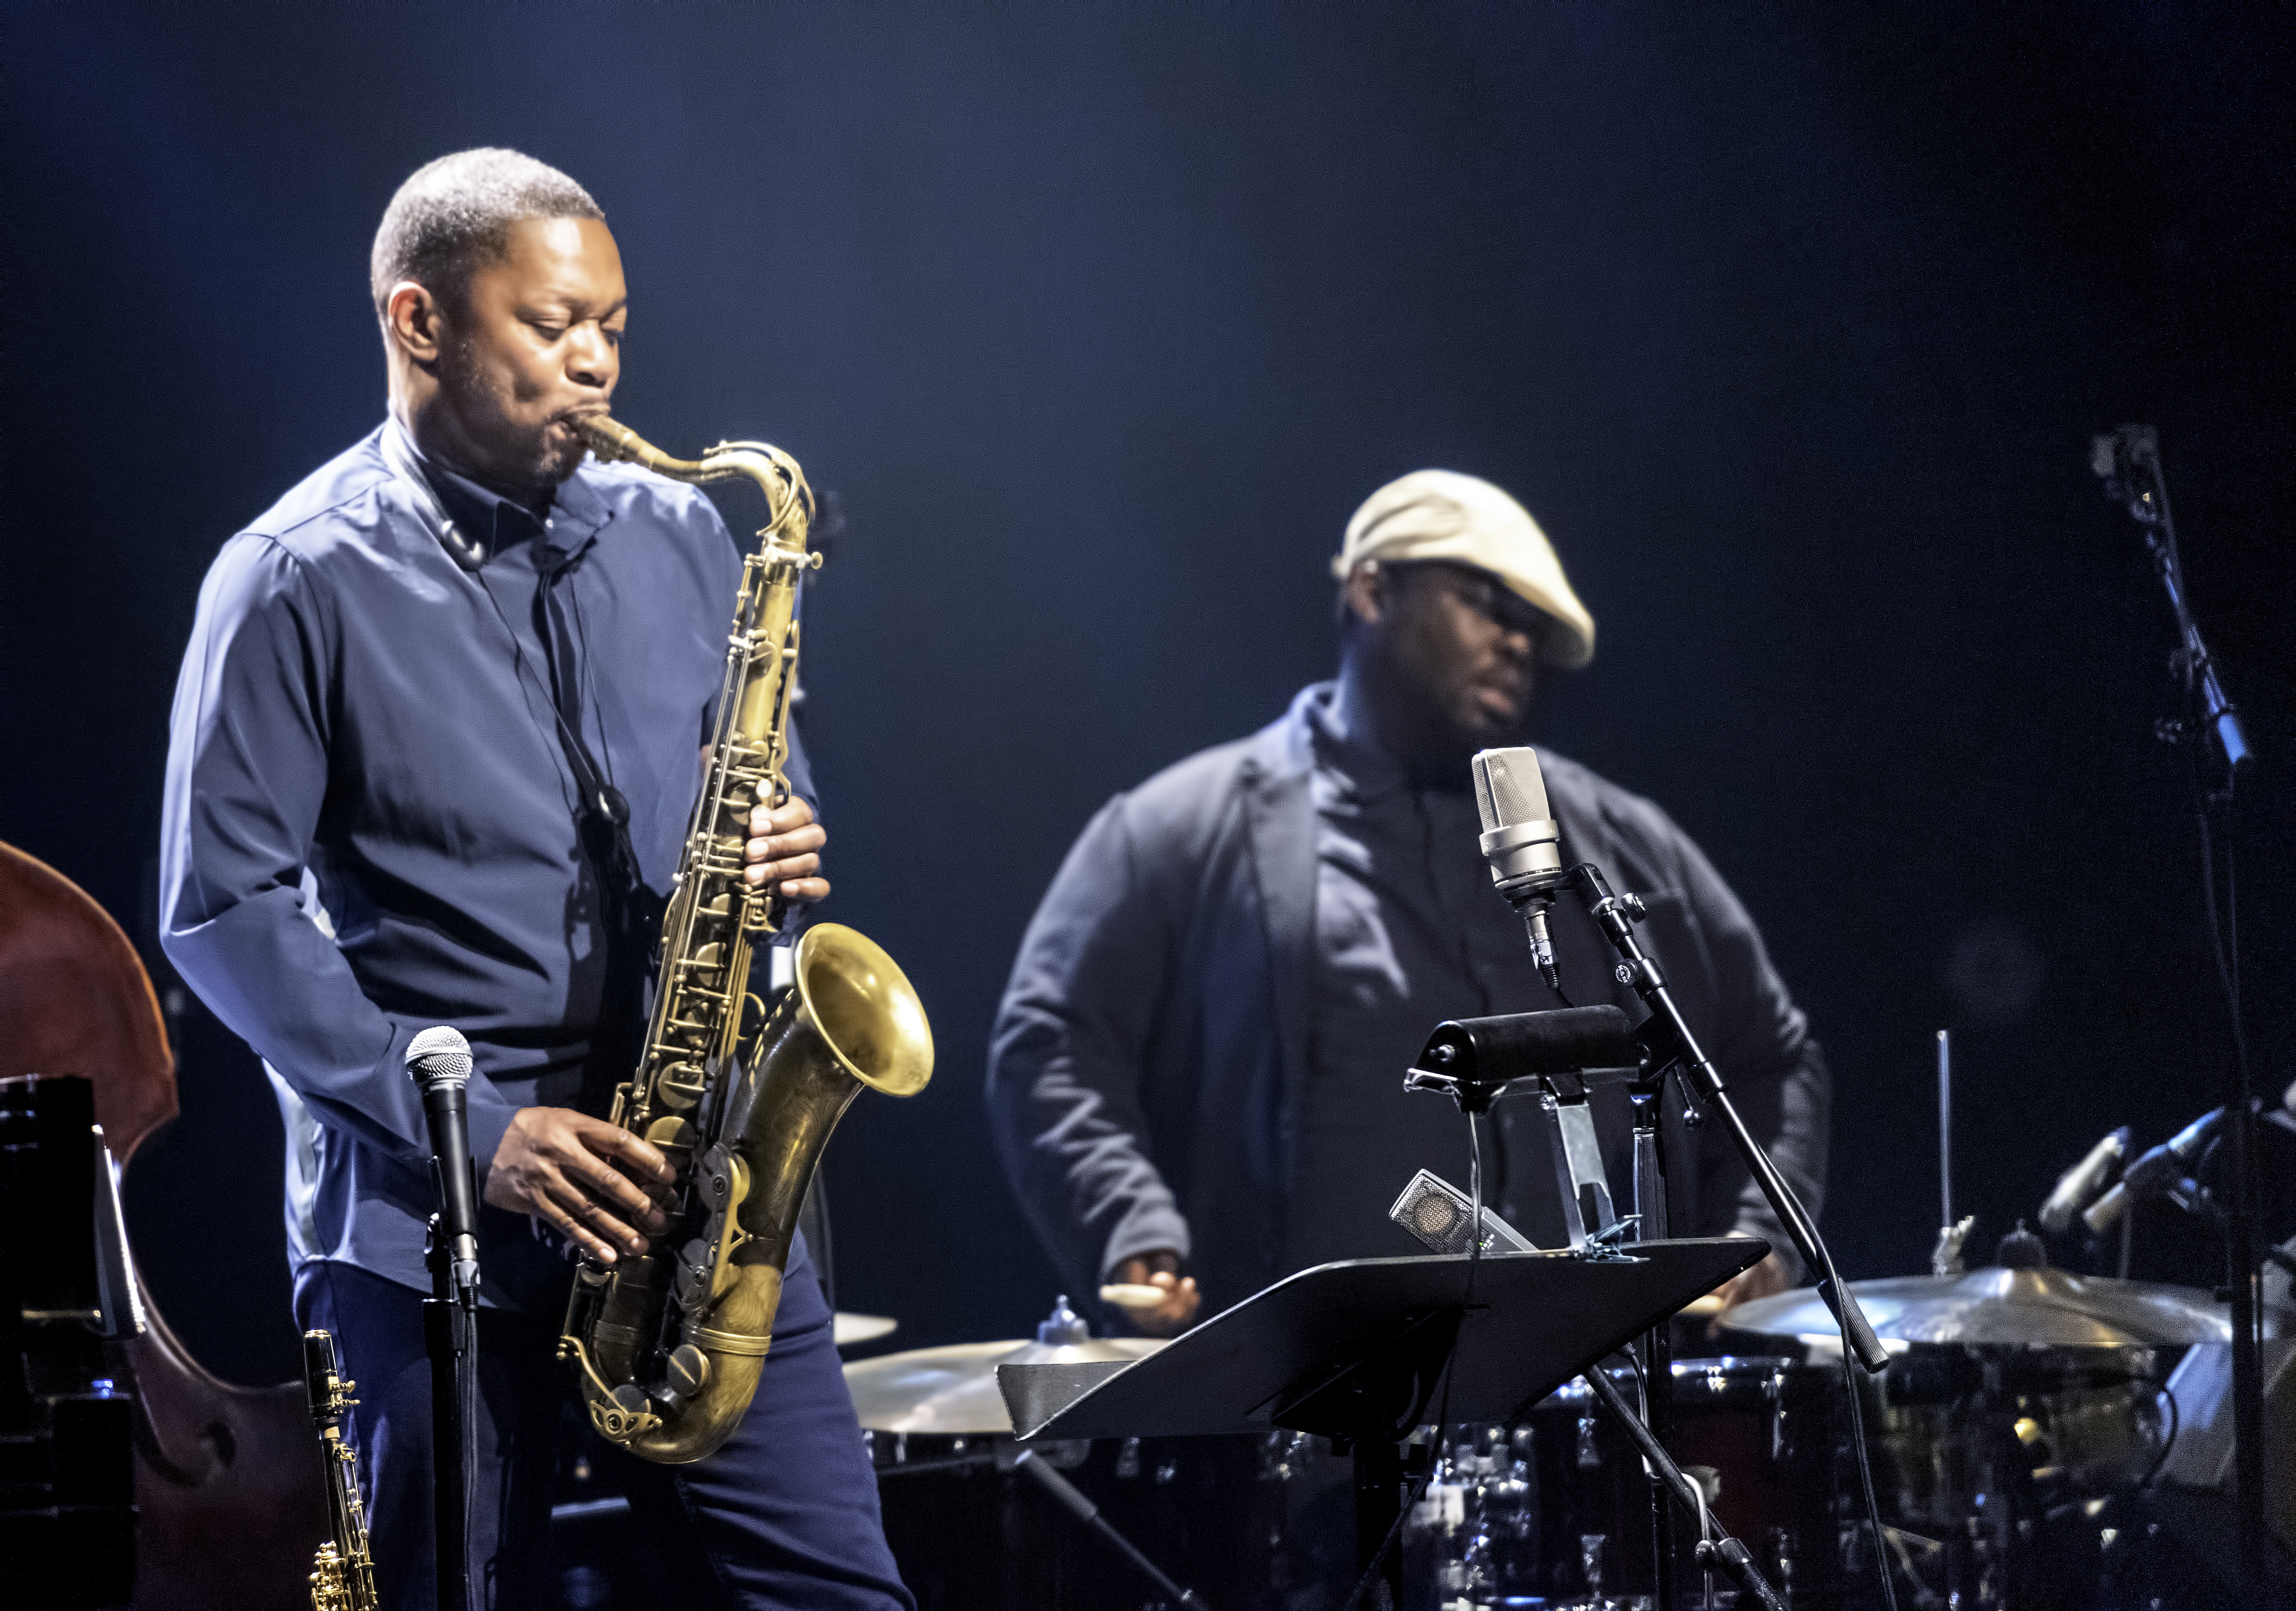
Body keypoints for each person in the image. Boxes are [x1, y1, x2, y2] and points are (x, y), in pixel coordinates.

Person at [160, 149, 908, 1610]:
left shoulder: (683, 530)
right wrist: (486, 1136)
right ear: (418, 322)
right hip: (433, 1229)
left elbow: (761, 780)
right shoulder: (292, 574)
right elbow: (220, 910)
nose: (595, 364)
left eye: (613, 328)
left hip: (697, 1194)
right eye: (553, 324)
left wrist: (780, 842)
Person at [988, 470, 1830, 1340]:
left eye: (1532, 627)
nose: (1517, 642)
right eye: (1486, 603)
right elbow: (1049, 1045)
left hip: (1588, 1412)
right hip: (1305, 1415)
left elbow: (1773, 1056)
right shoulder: (1176, 827)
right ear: (1371, 588)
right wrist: (1129, 1223)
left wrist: (1759, 1239)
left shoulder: (1619, 835)